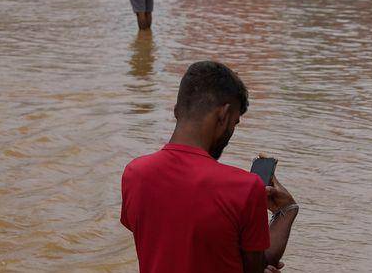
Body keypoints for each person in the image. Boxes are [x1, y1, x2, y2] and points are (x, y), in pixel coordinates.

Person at [121, 61, 298, 273]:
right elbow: (256, 268)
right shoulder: (245, 188)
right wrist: (287, 211)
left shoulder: (135, 174)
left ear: (177, 110)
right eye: (234, 123)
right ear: (223, 116)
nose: (231, 132)